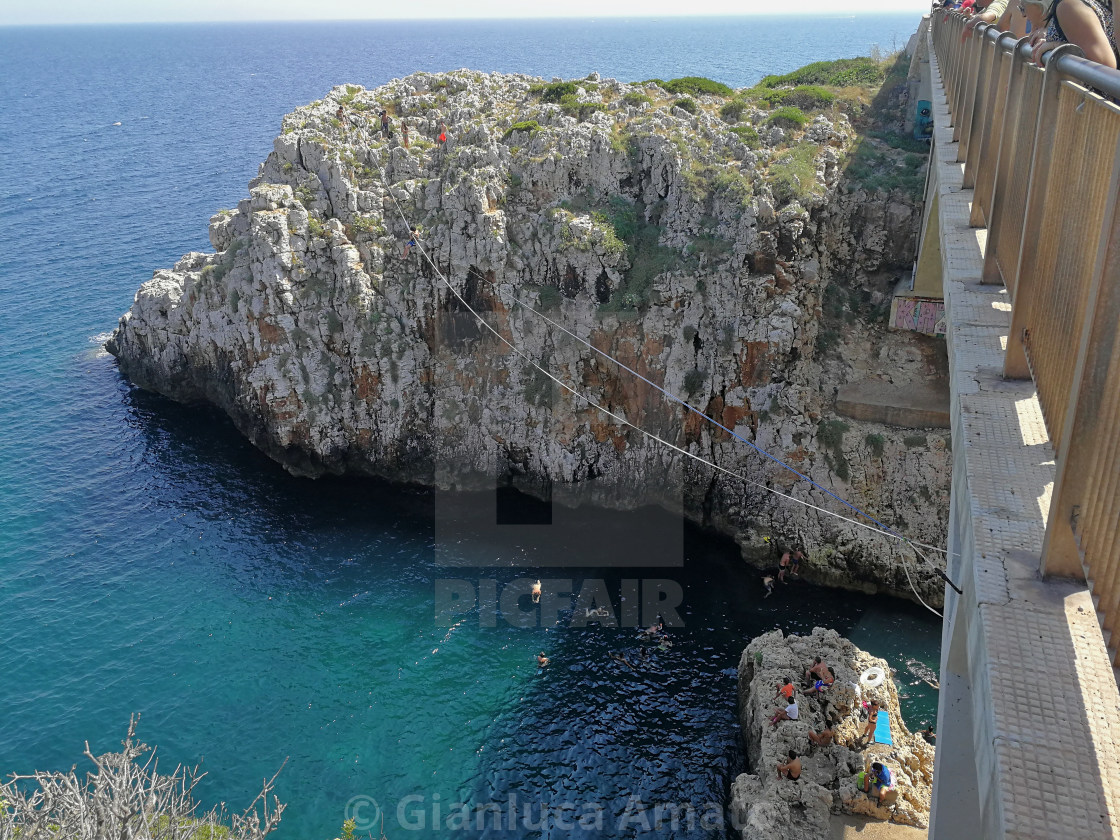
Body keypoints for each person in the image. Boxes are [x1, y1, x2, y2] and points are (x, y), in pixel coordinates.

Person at [1026, 0, 1117, 68]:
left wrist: (1057, 46)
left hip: (1081, 93)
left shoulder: (1069, 5)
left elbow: (1104, 67)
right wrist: (1050, 44)